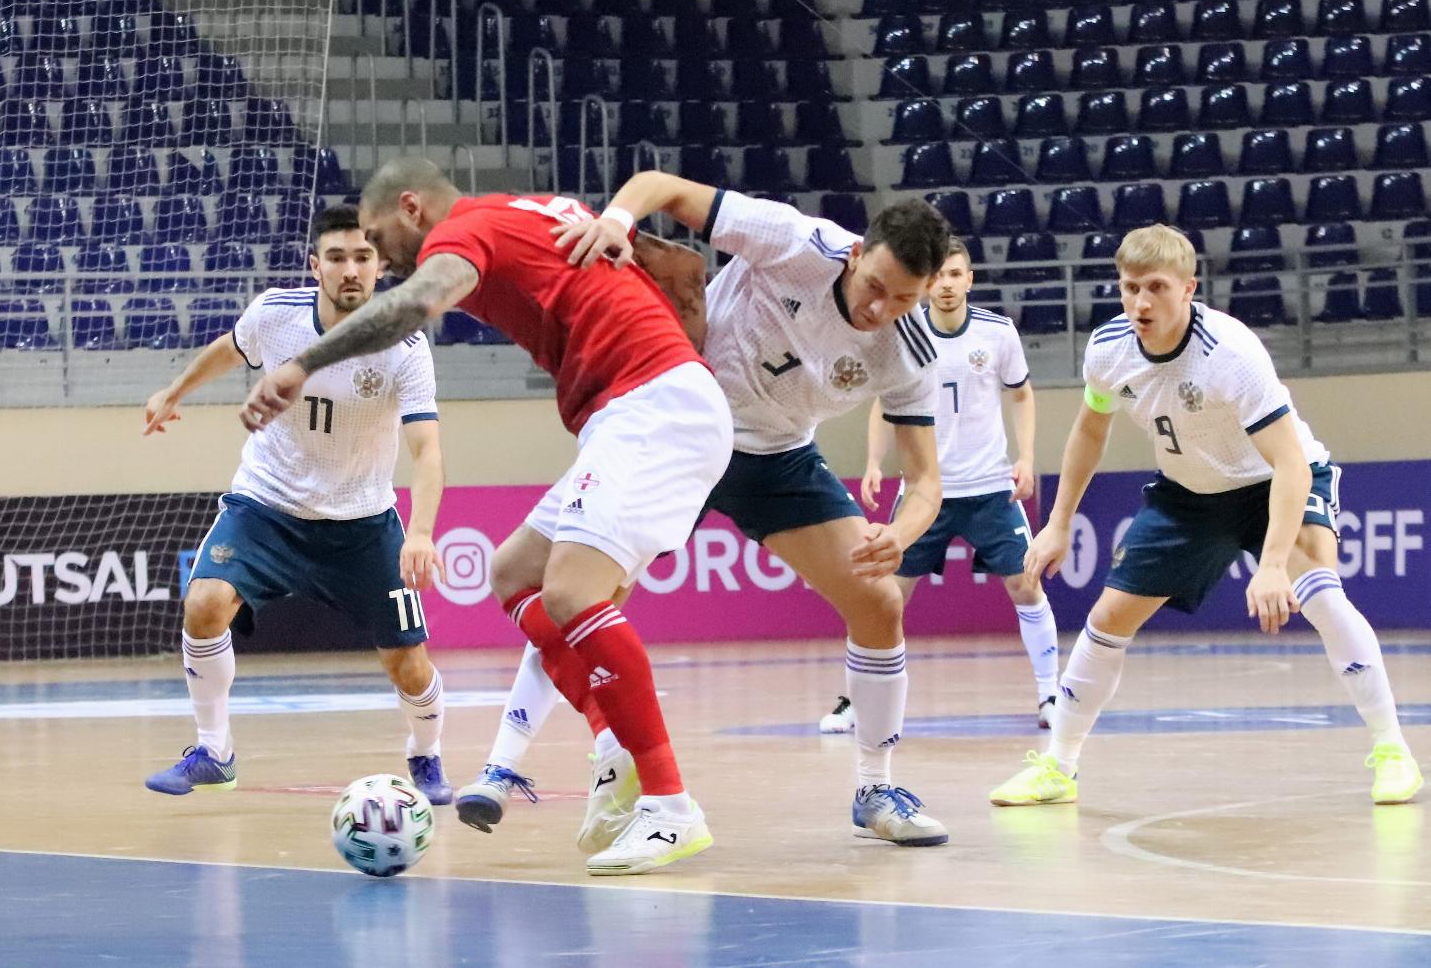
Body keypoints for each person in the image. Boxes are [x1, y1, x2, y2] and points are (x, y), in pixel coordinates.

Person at [240, 159, 734, 877]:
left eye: (379, 237)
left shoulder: (464, 231)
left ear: (412, 207)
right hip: (636, 406)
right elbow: (674, 268)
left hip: (653, 404)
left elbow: (415, 304)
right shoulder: (523, 210)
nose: (381, 257)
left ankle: (669, 805)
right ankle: (615, 745)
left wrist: (300, 365)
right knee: (514, 574)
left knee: (572, 592)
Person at [459, 172, 958, 847]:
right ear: (854, 254)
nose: (880, 309)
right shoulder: (795, 242)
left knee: (879, 602)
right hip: (681, 422)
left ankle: (875, 789)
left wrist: (900, 533)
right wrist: (616, 222)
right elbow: (658, 186)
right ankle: (505, 764)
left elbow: (925, 483)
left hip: (777, 456)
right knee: (578, 590)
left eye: (904, 299)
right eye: (876, 287)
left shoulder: (910, 347)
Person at [988, 224, 1423, 807]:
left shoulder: (1231, 353)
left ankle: (1393, 751)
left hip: (1274, 482)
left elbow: (1291, 465)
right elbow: (1090, 430)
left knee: (1320, 593)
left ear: (1189, 288)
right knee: (1108, 618)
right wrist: (1059, 521)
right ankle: (1057, 769)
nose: (1141, 303)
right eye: (1130, 287)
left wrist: (1272, 565)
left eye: (1156, 288)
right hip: (1191, 494)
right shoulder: (1109, 349)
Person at [142, 205, 454, 805]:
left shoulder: (405, 345)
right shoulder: (276, 314)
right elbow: (231, 348)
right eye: (336, 257)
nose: (350, 269)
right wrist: (174, 391)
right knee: (204, 605)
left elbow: (427, 448)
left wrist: (420, 532)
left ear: (381, 266)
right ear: (316, 266)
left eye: (362, 257)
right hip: (267, 505)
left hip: (361, 523)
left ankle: (427, 754)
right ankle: (213, 752)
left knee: (408, 665)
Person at [820, 239, 1057, 736]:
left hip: (989, 487)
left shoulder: (998, 332)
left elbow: (1022, 394)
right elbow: (883, 403)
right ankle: (855, 701)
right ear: (926, 284)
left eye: (955, 274)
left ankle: (1051, 695)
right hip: (924, 490)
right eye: (938, 276)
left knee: (1026, 584)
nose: (946, 285)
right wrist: (873, 462)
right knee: (883, 596)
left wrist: (1027, 457)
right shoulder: (904, 332)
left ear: (969, 279)